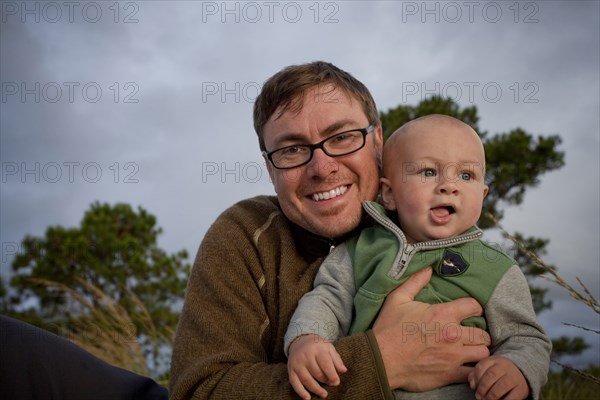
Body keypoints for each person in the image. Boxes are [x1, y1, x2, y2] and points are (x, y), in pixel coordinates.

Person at [169, 62, 493, 399]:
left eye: (341, 138)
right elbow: (199, 391)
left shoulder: (436, 219)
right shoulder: (244, 236)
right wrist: (380, 363)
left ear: (377, 140)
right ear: (269, 166)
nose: (321, 168)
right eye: (292, 149)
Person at [284, 115, 552, 400]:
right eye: (427, 172)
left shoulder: (495, 267)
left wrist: (517, 369)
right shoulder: (360, 250)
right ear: (389, 194)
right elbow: (327, 299)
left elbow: (525, 337)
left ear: (483, 195)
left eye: (466, 175)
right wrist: (307, 339)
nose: (449, 186)